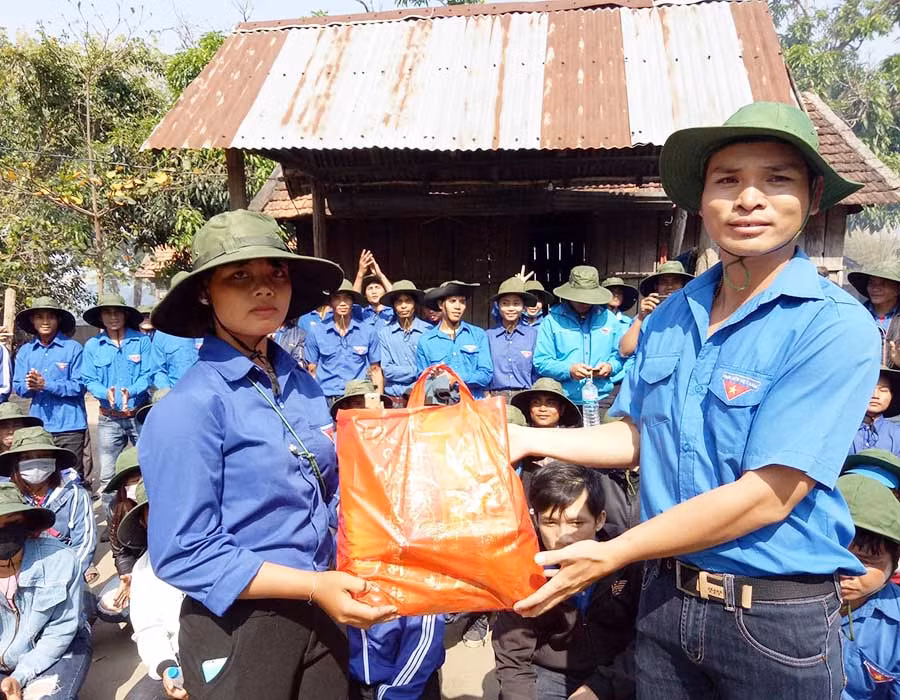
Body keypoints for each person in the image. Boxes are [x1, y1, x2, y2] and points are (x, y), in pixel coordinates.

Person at [508, 101, 879, 699]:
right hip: (666, 599)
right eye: (727, 180)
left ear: (812, 197)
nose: (749, 199)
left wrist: (615, 552)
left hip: (772, 619)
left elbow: (770, 493)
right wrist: (525, 438)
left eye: (776, 179)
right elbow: (638, 433)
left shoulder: (833, 326)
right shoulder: (671, 316)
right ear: (701, 201)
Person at [138, 210, 396, 699]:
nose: (264, 288)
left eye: (276, 273)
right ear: (204, 292)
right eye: (240, 276)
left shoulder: (302, 384)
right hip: (240, 626)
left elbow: (329, 490)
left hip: (326, 607)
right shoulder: (190, 408)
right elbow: (182, 552)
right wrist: (312, 587)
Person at [493, 464, 639, 700]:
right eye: (550, 522)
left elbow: (647, 640)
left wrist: (602, 687)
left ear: (600, 520)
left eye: (577, 523)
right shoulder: (522, 569)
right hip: (551, 673)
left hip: (619, 669)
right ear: (536, 519)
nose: (563, 536)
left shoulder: (629, 560)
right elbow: (513, 656)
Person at [0, 482, 90, 700]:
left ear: (26, 523)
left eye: (11, 523)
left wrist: (19, 676)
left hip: (58, 647)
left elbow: (60, 630)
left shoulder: (60, 560)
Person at [835, 463, 900, 699]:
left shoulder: (896, 628)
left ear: (894, 563)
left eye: (866, 560)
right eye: (834, 553)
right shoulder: (777, 596)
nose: (846, 569)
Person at [0, 427, 96, 586]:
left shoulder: (75, 494)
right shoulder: (6, 498)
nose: (35, 462)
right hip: (15, 573)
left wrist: (66, 575)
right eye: (27, 457)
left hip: (64, 572)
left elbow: (85, 543)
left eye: (42, 456)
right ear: (16, 464)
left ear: (54, 461)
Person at [81, 292, 153, 505]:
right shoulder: (93, 346)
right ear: (100, 317)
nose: (113, 317)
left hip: (138, 414)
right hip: (108, 418)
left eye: (117, 312)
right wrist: (105, 393)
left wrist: (132, 391)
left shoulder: (141, 341)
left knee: (147, 467)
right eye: (107, 312)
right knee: (108, 475)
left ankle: (147, 515)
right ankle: (113, 518)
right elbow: (89, 379)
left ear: (125, 315)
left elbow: (148, 374)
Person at [118, 481, 187, 700]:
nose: (165, 517)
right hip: (181, 656)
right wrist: (166, 667)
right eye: (154, 511)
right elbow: (148, 629)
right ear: (143, 521)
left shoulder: (221, 547)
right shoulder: (143, 569)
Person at [13, 297, 88, 469]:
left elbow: (80, 385)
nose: (45, 321)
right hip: (38, 427)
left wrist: (46, 385)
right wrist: (30, 385)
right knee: (42, 474)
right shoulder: (25, 351)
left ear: (58, 320)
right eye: (40, 317)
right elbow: (18, 387)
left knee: (71, 475)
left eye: (50, 317)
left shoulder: (73, 348)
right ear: (32, 321)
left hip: (70, 425)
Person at [533, 266, 624, 407]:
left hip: (602, 398)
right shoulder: (551, 321)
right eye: (579, 298)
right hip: (564, 399)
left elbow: (619, 355)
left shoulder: (609, 320)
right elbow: (541, 361)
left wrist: (610, 366)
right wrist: (569, 370)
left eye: (588, 297)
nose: (584, 302)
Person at [306, 279, 384, 405]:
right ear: (330, 302)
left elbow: (375, 369)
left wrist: (377, 402)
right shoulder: (316, 331)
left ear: (353, 301)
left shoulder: (368, 331)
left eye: (347, 298)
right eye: (337, 298)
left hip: (358, 398)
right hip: (326, 398)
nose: (342, 303)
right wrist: (313, 403)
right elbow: (312, 370)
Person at [416, 281, 493, 398]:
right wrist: (437, 379)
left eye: (462, 301)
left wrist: (456, 378)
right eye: (452, 301)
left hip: (472, 404)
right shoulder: (426, 341)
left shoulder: (478, 335)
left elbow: (486, 374)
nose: (458, 307)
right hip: (441, 405)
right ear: (441, 305)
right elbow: (422, 378)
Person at [101, 446, 144, 621]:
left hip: (169, 571)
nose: (139, 485)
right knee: (108, 608)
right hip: (139, 569)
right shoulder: (115, 509)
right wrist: (128, 577)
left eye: (142, 479)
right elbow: (121, 553)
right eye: (134, 481)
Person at [618, 261, 694, 358]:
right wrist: (640, 318)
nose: (669, 286)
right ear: (656, 287)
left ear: (684, 285)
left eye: (675, 281)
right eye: (664, 282)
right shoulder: (646, 317)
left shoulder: (691, 315)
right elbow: (624, 351)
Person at [377, 281, 431, 405]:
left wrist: (423, 373)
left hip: (422, 398)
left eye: (408, 301)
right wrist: (418, 372)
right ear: (393, 305)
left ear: (415, 304)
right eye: (399, 302)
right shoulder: (385, 334)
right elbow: (387, 370)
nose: (403, 306)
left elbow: (430, 369)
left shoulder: (428, 331)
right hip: (394, 399)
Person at [488, 278, 539, 399]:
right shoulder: (488, 336)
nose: (511, 308)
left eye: (516, 304)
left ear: (523, 307)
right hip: (496, 397)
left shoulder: (533, 336)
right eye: (505, 303)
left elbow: (537, 371)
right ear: (498, 306)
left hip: (525, 396)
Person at [600, 278, 639, 413]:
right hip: (598, 380)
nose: (616, 295)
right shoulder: (593, 322)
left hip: (621, 381)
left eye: (619, 292)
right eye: (612, 291)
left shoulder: (630, 323)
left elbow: (633, 354)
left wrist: (621, 374)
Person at [848, 265, 900, 367]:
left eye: (884, 283)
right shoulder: (855, 315)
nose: (875, 288)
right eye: (871, 283)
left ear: (898, 289)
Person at [851, 367, 900, 455]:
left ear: (891, 396)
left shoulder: (897, 434)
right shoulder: (840, 430)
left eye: (883, 390)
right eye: (869, 388)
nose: (875, 395)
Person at [510, 378, 582, 429]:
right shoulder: (519, 435)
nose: (542, 409)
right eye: (536, 403)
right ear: (529, 407)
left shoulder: (571, 438)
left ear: (561, 409)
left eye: (550, 403)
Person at [353, 249, 394, 327]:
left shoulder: (393, 311)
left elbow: (395, 295)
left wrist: (380, 275)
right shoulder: (361, 313)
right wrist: (360, 274)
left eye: (377, 287)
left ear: (385, 291)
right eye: (370, 288)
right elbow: (354, 300)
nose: (374, 291)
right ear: (365, 294)